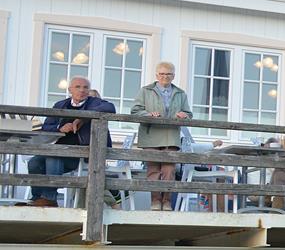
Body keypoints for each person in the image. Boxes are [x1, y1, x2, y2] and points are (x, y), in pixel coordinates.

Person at [27, 75, 114, 206]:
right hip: (58, 148)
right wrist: (59, 128)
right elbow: (46, 126)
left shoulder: (94, 102)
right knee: (34, 162)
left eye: (85, 87)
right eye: (78, 87)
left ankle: (49, 199)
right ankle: (37, 198)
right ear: (70, 90)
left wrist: (83, 117)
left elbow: (110, 108)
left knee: (53, 156)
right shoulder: (60, 105)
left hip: (83, 152)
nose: (82, 90)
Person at [129, 61, 191, 210]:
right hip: (151, 135)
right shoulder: (145, 91)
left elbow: (188, 114)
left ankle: (167, 201)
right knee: (153, 171)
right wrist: (148, 114)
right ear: (157, 75)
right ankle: (156, 201)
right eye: (162, 74)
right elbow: (135, 111)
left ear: (173, 76)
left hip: (171, 136)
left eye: (168, 74)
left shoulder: (180, 93)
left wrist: (183, 115)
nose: (165, 77)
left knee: (169, 171)